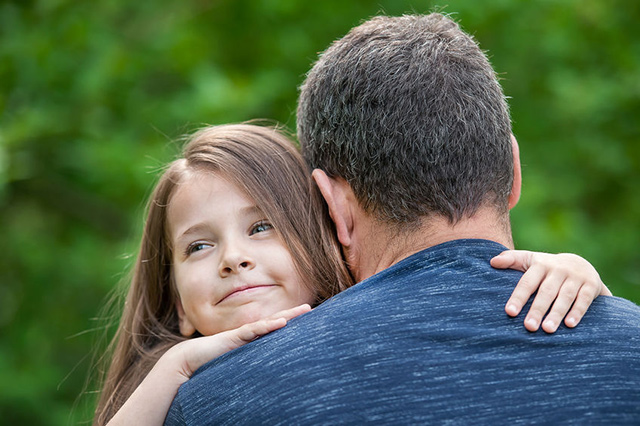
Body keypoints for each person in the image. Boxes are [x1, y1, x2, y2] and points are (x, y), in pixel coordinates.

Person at [164, 14, 640, 424]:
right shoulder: (624, 345)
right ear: (513, 172)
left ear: (335, 206)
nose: (234, 259)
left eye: (261, 227)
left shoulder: (216, 402)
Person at [96, 124, 609, 426]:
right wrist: (177, 366)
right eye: (199, 246)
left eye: (261, 226)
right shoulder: (175, 399)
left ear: (327, 238)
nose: (232, 258)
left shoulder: (382, 334)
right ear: (179, 304)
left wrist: (572, 271)